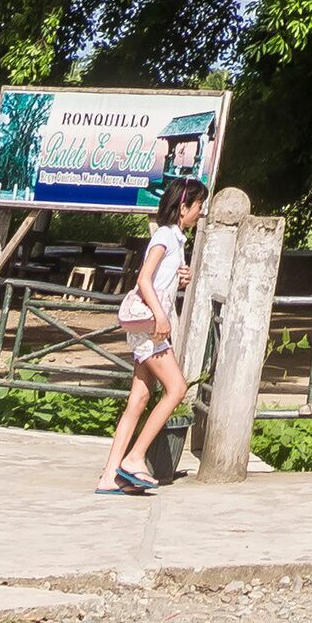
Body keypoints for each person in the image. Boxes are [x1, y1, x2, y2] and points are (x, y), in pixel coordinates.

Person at [96, 176, 207, 496]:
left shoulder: (176, 239)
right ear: (182, 206)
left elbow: (159, 279)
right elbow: (144, 278)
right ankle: (134, 458)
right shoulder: (164, 236)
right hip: (150, 326)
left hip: (149, 325)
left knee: (140, 398)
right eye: (198, 205)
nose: (201, 212)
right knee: (177, 388)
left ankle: (109, 476)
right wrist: (160, 315)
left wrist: (180, 279)